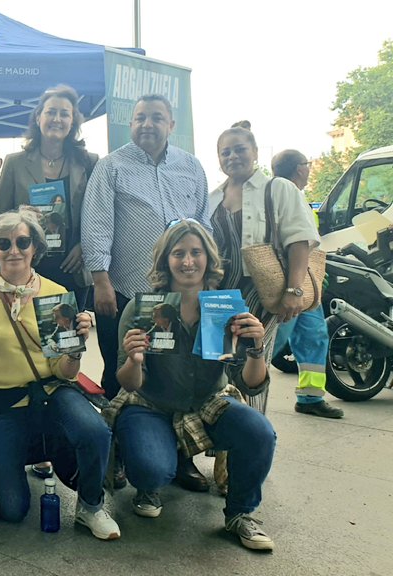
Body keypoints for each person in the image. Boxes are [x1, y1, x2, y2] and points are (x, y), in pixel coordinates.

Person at [111, 219, 277, 551]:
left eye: (196, 252)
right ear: (165, 260)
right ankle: (149, 481)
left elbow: (250, 384)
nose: (188, 262)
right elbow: (128, 383)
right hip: (151, 405)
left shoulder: (225, 308)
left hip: (208, 403)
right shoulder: (142, 308)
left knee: (260, 432)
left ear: (208, 258)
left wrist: (257, 347)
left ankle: (240, 514)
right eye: (179, 253)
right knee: (152, 470)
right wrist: (135, 360)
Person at [0, 210, 119, 540]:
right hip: (3, 401)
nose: (14, 250)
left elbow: (65, 371)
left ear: (35, 247)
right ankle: (16, 468)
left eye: (23, 241)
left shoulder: (57, 294)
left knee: (95, 432)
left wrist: (75, 350)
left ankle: (90, 506)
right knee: (11, 510)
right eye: (4, 243)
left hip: (52, 391)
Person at [82, 94, 210, 491]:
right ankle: (120, 453)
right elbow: (97, 224)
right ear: (130, 124)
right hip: (125, 294)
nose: (147, 125)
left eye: (156, 118)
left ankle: (180, 457)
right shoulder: (112, 167)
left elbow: (204, 225)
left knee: (178, 377)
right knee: (120, 372)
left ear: (171, 124)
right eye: (140, 118)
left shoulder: (190, 167)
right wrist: (100, 281)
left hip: (183, 297)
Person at [209, 122, 320, 414]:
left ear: (255, 152)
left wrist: (294, 290)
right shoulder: (212, 198)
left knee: (254, 363)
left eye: (240, 149)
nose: (233, 156)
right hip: (220, 296)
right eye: (225, 152)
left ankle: (252, 439)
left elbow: (300, 241)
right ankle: (224, 449)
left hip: (264, 295)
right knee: (221, 367)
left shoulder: (278, 188)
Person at [0, 86, 99, 311]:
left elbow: (98, 216)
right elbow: (0, 218)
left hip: (73, 267)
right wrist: (21, 217)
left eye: (64, 114)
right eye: (51, 112)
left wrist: (84, 246)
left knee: (66, 338)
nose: (57, 119)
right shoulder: (14, 163)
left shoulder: (89, 162)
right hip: (27, 265)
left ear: (73, 121)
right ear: (38, 117)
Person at [270, 149, 343, 419]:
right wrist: (295, 286)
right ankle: (244, 389)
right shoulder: (285, 193)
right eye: (307, 164)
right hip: (291, 284)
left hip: (307, 283)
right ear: (299, 169)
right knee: (275, 340)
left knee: (314, 336)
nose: (310, 169)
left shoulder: (293, 195)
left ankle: (310, 397)